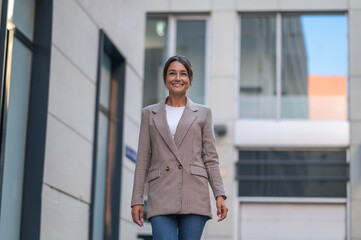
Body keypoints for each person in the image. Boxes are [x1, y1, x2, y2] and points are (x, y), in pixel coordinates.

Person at [131, 55, 227, 240]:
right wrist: (137, 200)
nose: (177, 78)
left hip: (194, 192)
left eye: (183, 74)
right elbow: (143, 159)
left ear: (190, 80)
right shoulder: (149, 114)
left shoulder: (203, 113)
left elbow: (210, 158)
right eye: (172, 73)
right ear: (165, 78)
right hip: (160, 193)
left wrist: (219, 195)